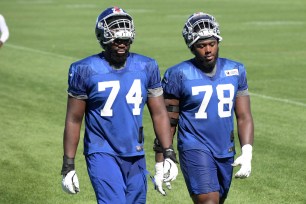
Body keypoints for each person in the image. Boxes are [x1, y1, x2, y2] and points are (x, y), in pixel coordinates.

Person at [60, 7, 178, 204]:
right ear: (103, 38)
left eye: (126, 40)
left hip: (135, 151)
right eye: (116, 40)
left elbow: (159, 113)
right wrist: (68, 164)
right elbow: (74, 119)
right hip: (102, 150)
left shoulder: (146, 66)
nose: (122, 45)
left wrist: (168, 152)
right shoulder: (84, 69)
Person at [153, 12, 254, 203]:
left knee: (218, 199)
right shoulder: (178, 74)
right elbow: (168, 121)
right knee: (209, 201)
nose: (208, 50)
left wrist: (247, 151)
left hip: (225, 147)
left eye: (212, 44)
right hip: (194, 146)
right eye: (201, 46)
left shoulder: (236, 70)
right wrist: (162, 159)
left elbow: (244, 115)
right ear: (191, 47)